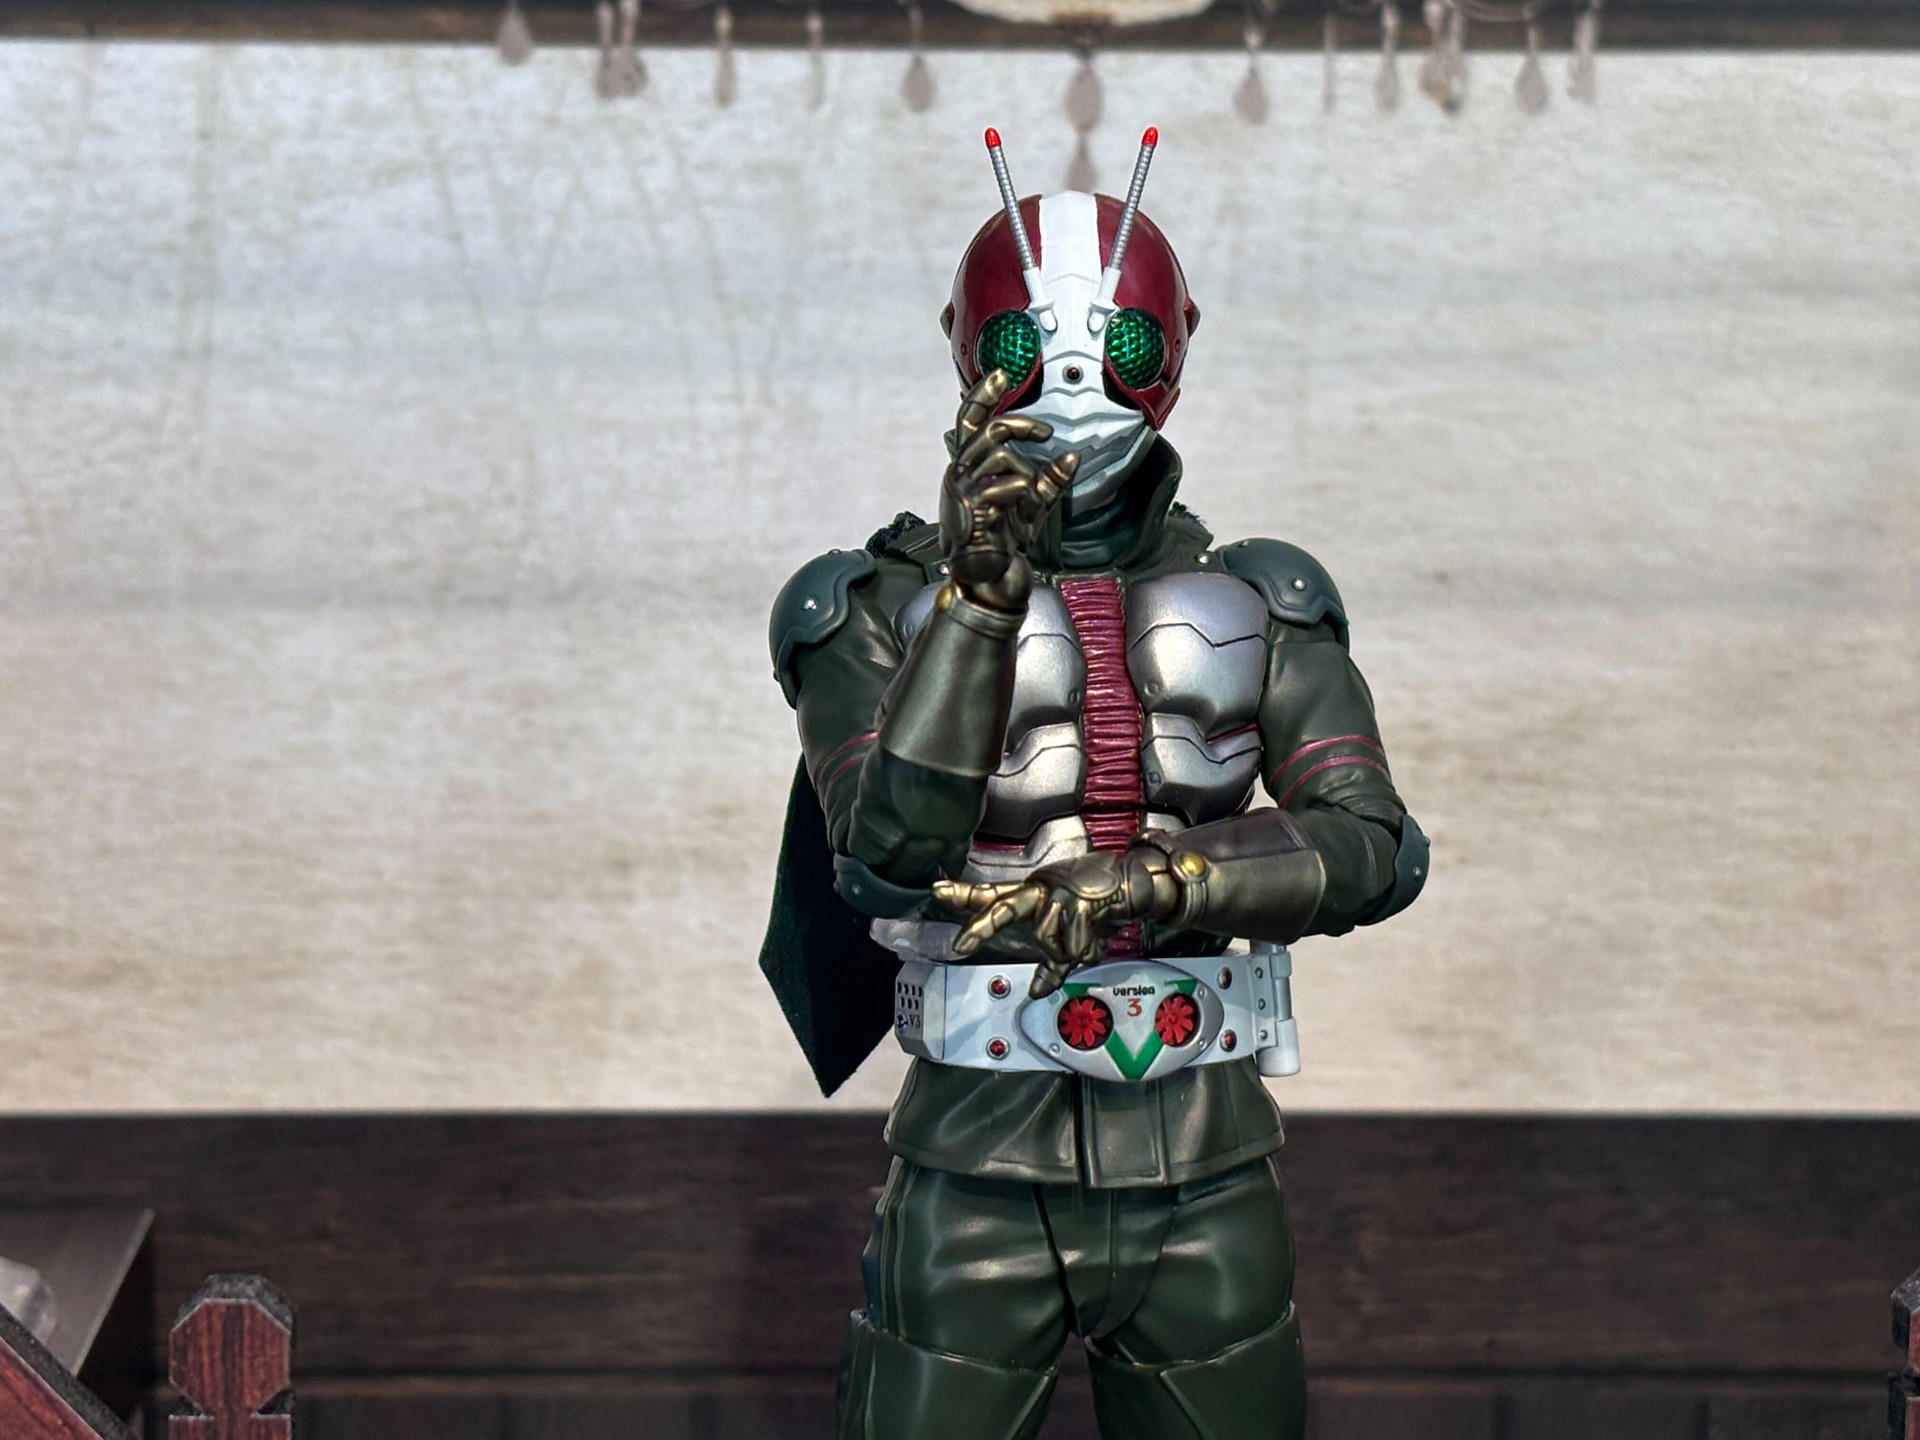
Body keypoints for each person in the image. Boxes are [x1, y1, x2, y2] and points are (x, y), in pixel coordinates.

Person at [762, 129, 1428, 1440]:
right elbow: (886, 857)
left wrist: (1156, 881)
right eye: (1026, 345)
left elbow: (1376, 847)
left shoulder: (1263, 595)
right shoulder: (866, 606)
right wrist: (974, 605)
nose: (1072, 380)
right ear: (966, 347)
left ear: (1176, 344)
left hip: (1208, 1149)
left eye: (1117, 343)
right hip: (974, 1155)